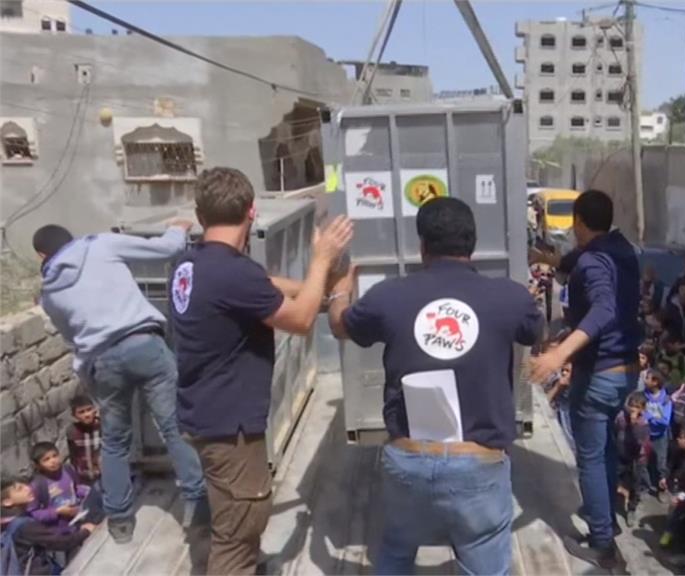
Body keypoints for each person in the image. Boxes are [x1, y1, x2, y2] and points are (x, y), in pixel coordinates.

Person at [330, 197, 542, 575]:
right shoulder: (511, 297)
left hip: (408, 459)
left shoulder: (389, 296)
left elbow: (339, 325)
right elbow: (533, 330)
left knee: (395, 549)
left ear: (422, 246)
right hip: (479, 462)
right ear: (472, 246)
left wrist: (340, 290)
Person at [171, 167, 352, 575]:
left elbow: (262, 284)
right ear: (251, 211)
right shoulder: (233, 273)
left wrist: (314, 287)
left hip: (201, 412)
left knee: (226, 514)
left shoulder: (191, 263)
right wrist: (322, 260)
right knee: (241, 528)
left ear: (202, 216)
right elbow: (302, 320)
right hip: (229, 427)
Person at [33, 221, 207, 543]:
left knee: (114, 441)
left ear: (43, 255)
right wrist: (178, 229)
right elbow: (166, 249)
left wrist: (92, 378)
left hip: (103, 362)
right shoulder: (101, 244)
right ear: (71, 238)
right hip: (144, 344)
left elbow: (74, 339)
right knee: (173, 426)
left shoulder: (50, 293)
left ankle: (120, 521)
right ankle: (196, 504)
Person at [529, 189, 642, 569]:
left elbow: (603, 308)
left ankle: (601, 542)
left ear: (578, 222)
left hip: (599, 372)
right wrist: (545, 259)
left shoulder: (593, 263)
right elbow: (571, 263)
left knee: (590, 458)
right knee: (605, 448)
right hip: (624, 371)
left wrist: (560, 353)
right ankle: (606, 515)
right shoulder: (620, 249)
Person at [1, 478, 96, 574]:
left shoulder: (9, 523)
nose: (27, 488)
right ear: (7, 502)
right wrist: (85, 531)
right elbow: (60, 542)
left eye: (24, 485)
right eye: (19, 489)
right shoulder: (24, 525)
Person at [26, 442, 102, 532]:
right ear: (38, 465)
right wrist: (57, 512)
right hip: (62, 527)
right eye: (46, 459)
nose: (53, 461)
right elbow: (34, 513)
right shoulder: (37, 485)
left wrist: (87, 492)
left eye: (55, 456)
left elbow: (75, 488)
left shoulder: (67, 470)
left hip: (80, 515)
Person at [615, 392, 650, 527]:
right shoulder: (621, 417)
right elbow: (616, 429)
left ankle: (631, 509)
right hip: (621, 453)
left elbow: (640, 442)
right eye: (631, 405)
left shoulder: (643, 424)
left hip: (637, 459)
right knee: (614, 477)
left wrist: (634, 424)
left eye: (636, 407)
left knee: (635, 484)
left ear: (642, 409)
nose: (632, 409)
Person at [643, 370, 673, 495]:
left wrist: (649, 417)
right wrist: (656, 418)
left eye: (648, 378)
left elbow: (664, 421)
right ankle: (647, 486)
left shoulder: (665, 400)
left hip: (660, 436)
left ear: (655, 382)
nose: (645, 380)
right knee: (645, 461)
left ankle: (662, 487)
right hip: (645, 434)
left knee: (661, 462)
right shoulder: (643, 396)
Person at [65, 395, 101, 487]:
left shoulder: (102, 427)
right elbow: (73, 455)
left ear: (95, 410)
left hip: (104, 475)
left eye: (89, 410)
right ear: (74, 415)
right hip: (84, 478)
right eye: (81, 412)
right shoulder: (72, 431)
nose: (87, 415)